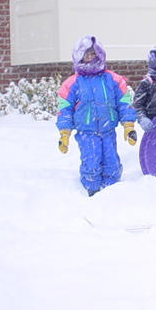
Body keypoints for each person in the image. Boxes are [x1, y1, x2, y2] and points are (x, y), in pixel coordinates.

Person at [56, 35, 137, 196]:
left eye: (93, 54)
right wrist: (64, 132)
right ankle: (92, 190)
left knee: (111, 162)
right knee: (91, 161)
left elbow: (124, 102)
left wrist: (128, 125)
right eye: (86, 55)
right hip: (87, 132)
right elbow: (64, 108)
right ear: (79, 57)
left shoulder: (113, 79)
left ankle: (111, 191)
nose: (90, 58)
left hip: (108, 131)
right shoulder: (72, 83)